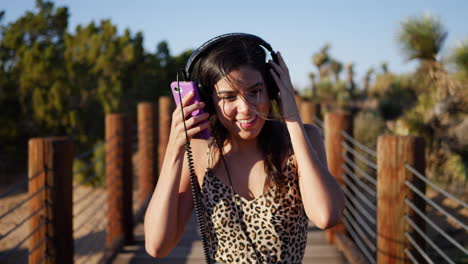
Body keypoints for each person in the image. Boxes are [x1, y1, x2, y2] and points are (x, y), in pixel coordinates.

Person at [144, 34, 344, 263]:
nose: (246, 108)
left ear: (273, 90)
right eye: (229, 97)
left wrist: (291, 117)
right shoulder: (200, 154)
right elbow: (156, 245)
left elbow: (326, 215)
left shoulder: (303, 141)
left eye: (255, 91)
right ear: (209, 101)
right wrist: (174, 149)